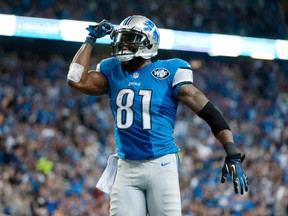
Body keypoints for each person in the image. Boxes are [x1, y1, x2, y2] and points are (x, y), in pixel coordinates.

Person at [67, 15, 249, 216]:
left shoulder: (168, 71)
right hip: (126, 166)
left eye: (130, 40)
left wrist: (231, 152)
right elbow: (75, 79)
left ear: (147, 43)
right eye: (122, 39)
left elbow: (209, 113)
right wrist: (90, 40)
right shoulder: (112, 70)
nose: (123, 45)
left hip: (161, 165)